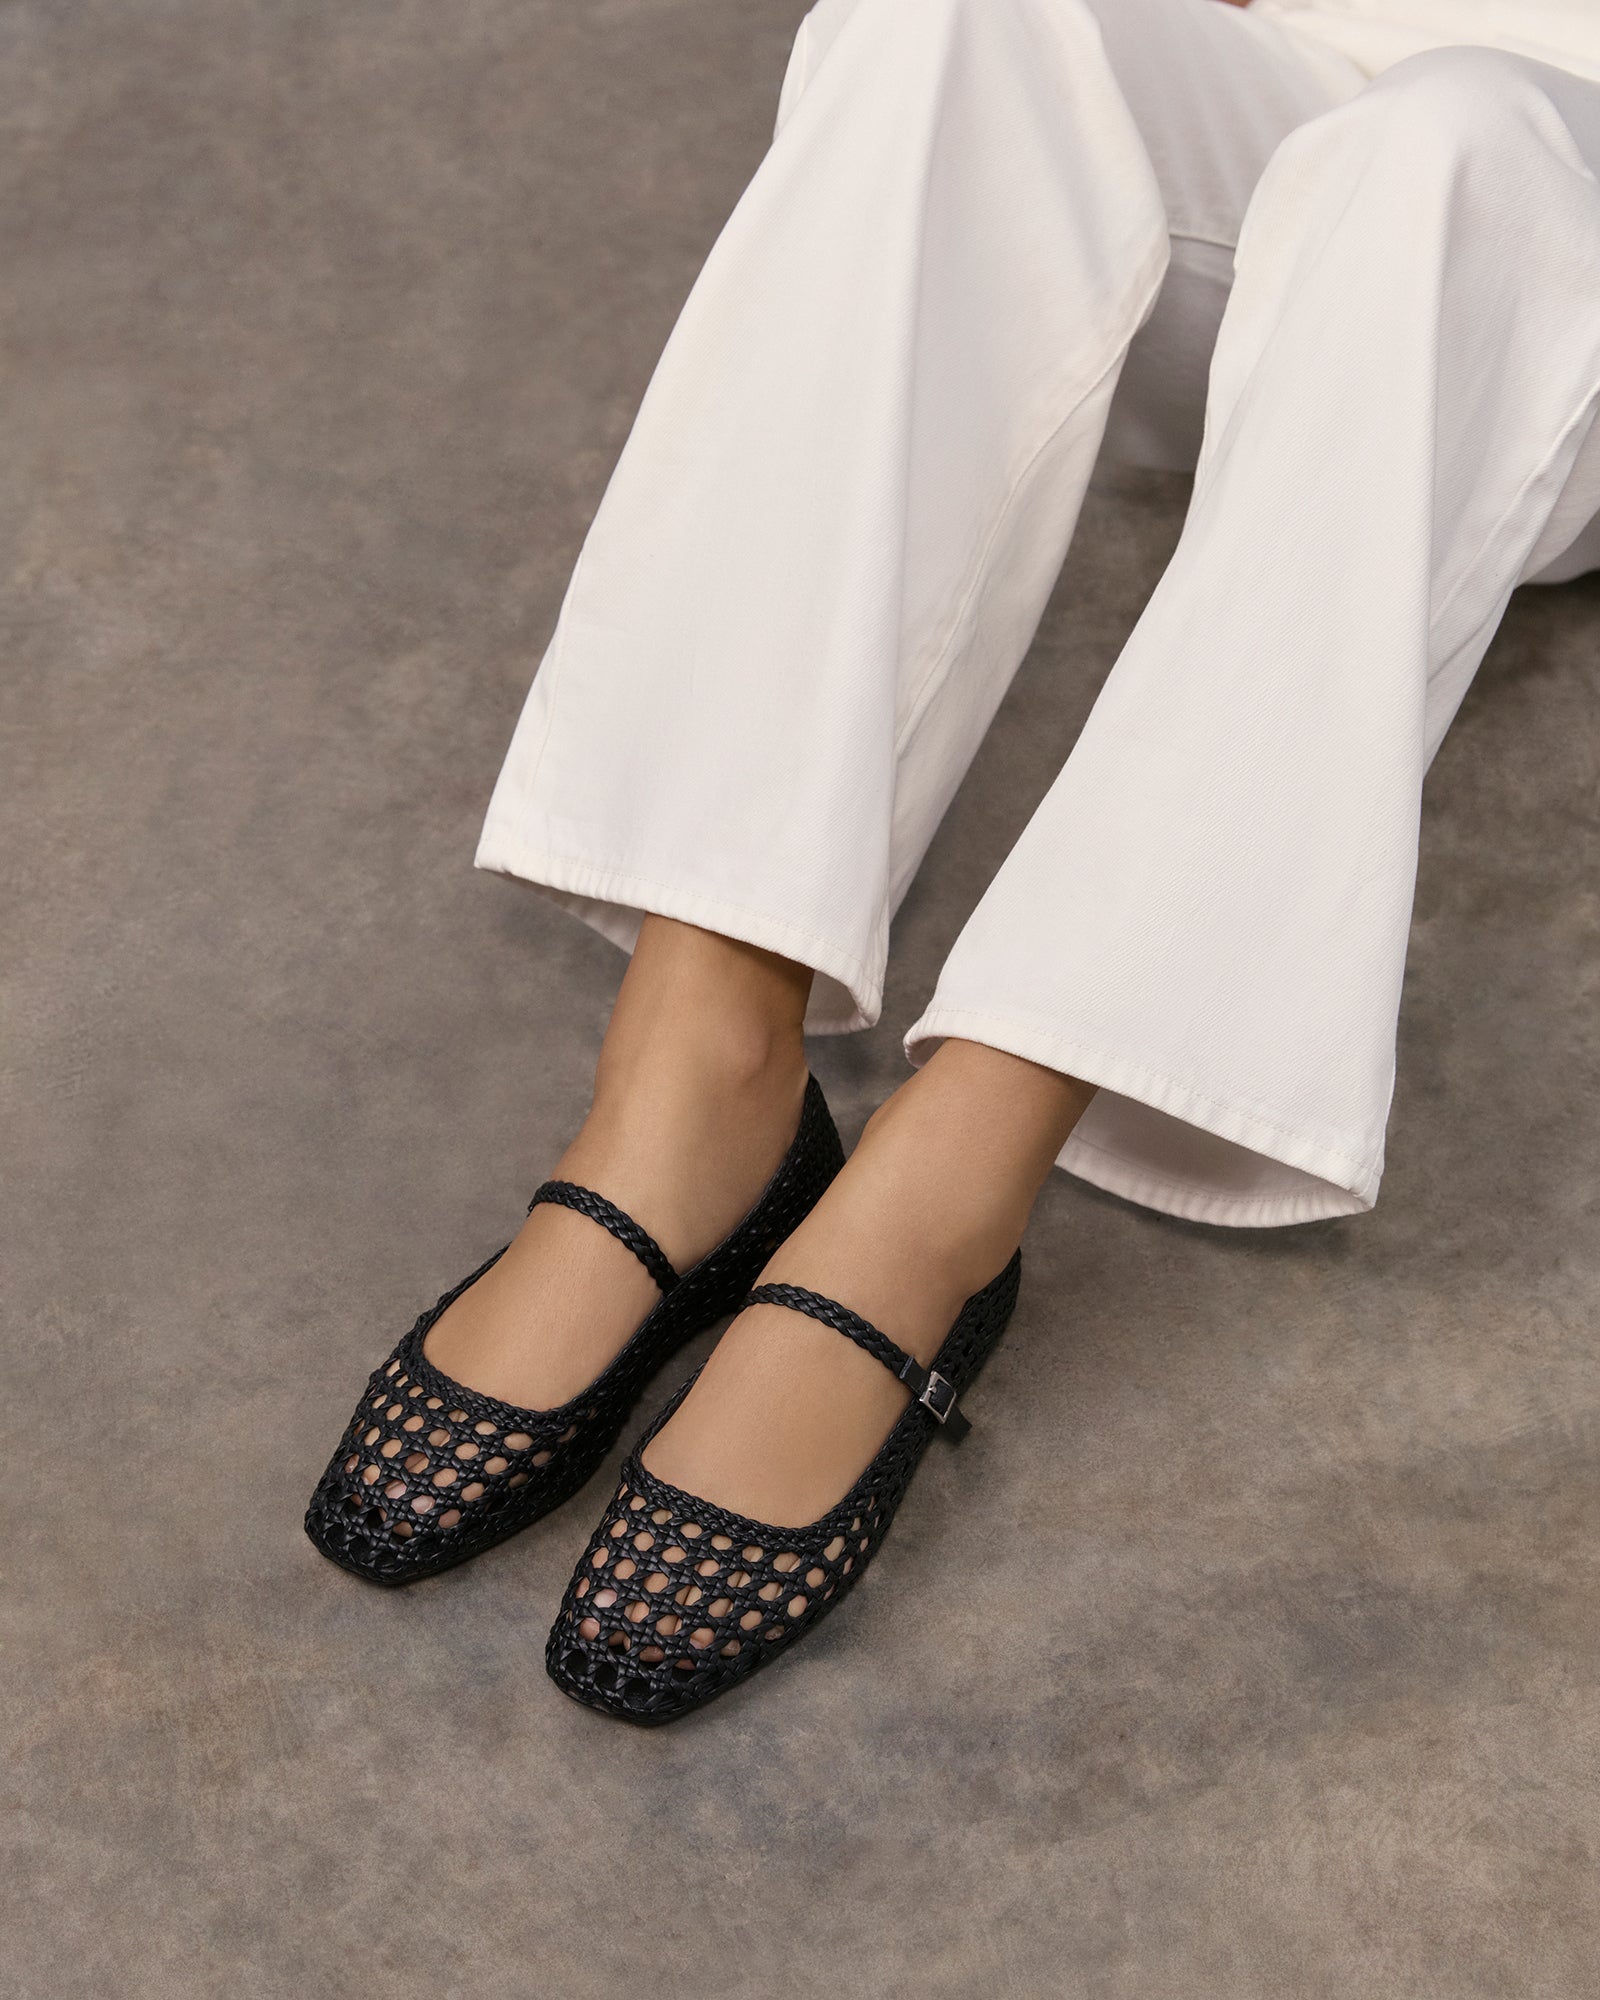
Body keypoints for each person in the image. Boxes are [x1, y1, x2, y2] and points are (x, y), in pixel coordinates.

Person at [305, 0, 1600, 1723]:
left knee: (1460, 150)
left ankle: (941, 1196)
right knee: (961, 18)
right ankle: (701, 1074)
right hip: (1322, 75)